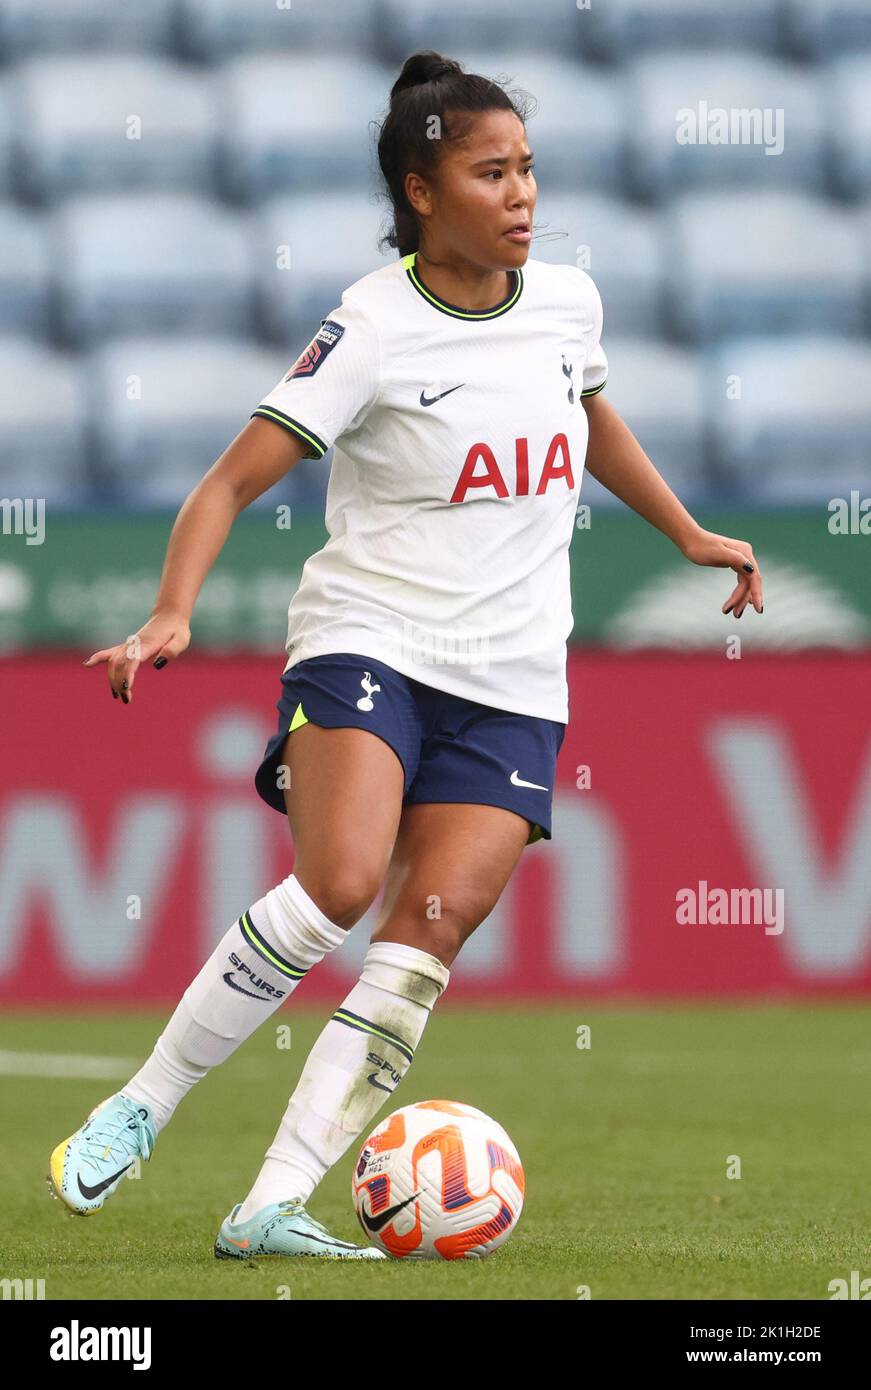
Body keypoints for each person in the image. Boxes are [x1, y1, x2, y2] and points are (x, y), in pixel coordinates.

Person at [47, 50, 763, 1261]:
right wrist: (173, 611)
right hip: (369, 639)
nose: (524, 194)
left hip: (517, 676)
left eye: (530, 169)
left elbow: (587, 415)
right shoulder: (372, 325)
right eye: (493, 173)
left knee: (421, 937)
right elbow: (230, 480)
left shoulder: (565, 302)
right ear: (423, 192)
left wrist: (686, 529)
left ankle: (270, 1201)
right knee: (337, 885)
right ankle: (140, 1106)